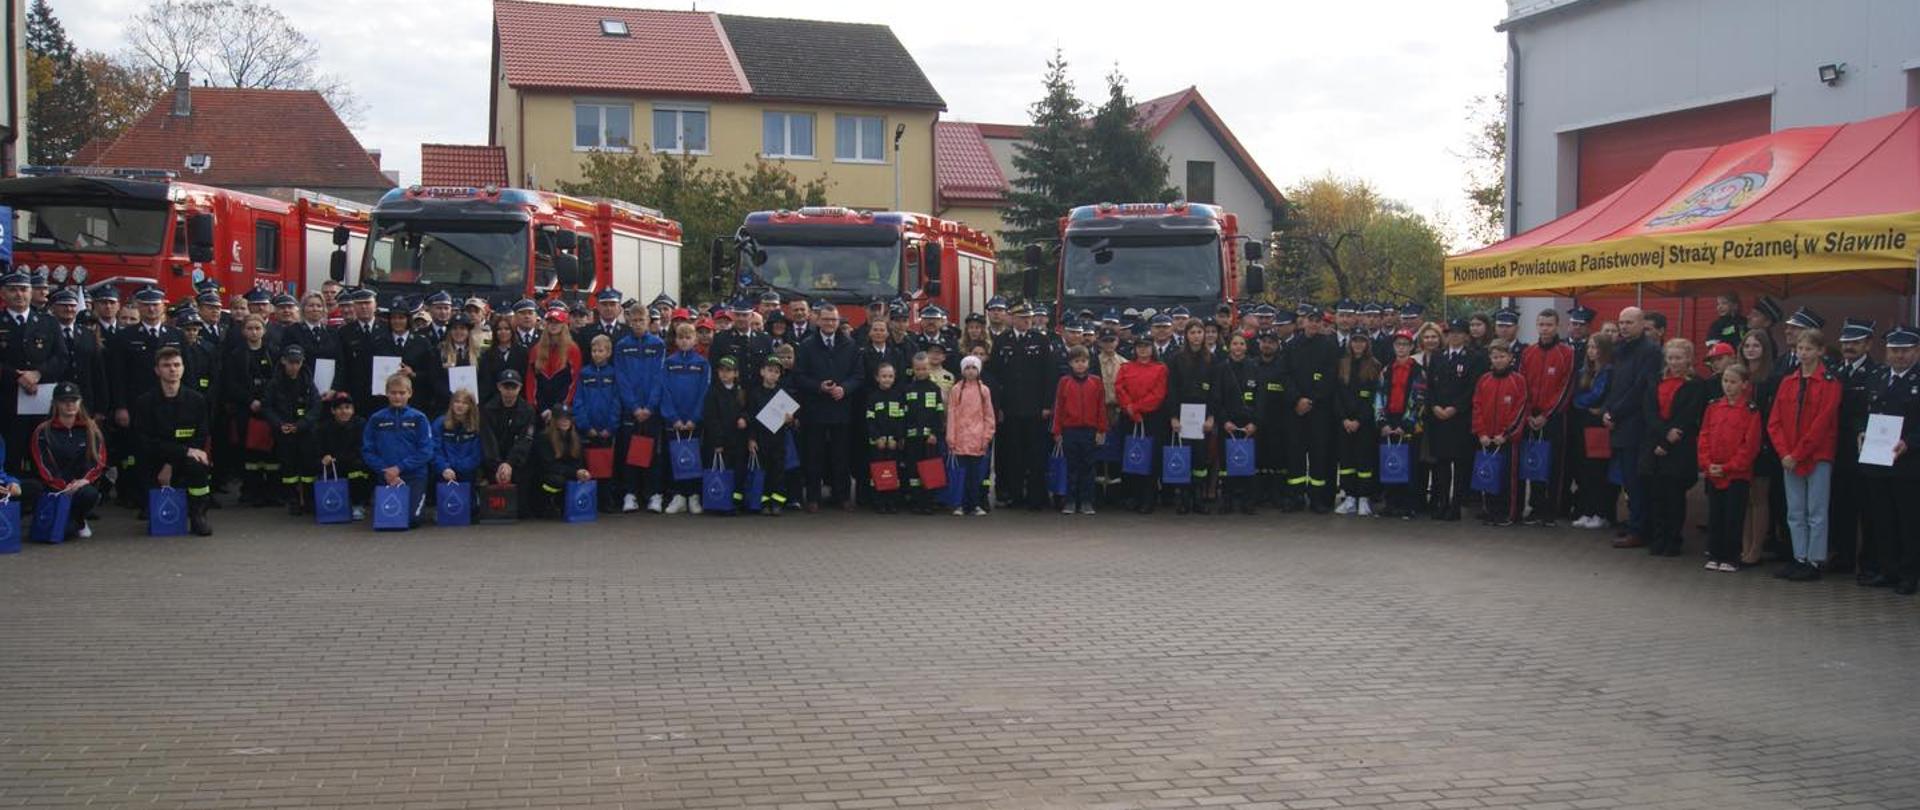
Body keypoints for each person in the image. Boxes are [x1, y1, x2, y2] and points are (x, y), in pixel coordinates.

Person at [1768, 329, 1840, 581]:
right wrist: (1784, 453)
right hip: (1789, 457)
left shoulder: (1829, 383)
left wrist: (1797, 453)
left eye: (1809, 348)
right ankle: (1799, 557)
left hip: (1817, 455)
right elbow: (1774, 421)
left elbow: (1822, 423)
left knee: (1816, 512)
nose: (1803, 353)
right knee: (1795, 510)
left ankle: (1815, 560)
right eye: (1800, 348)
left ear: (1820, 351)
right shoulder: (1788, 381)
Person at [1859, 325, 1920, 594]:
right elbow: (1866, 412)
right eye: (1895, 350)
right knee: (1882, 519)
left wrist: (1911, 442)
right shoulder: (1879, 376)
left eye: (1905, 350)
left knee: (1908, 521)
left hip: (1908, 464)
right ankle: (1887, 569)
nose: (1899, 356)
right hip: (1878, 461)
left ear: (1916, 351)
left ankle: (1909, 575)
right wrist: (1862, 432)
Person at [131, 347, 213, 536]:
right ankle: (149, 506)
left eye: (177, 365)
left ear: (183, 368)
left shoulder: (197, 400)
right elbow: (145, 441)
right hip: (154, 460)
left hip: (185, 458)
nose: (172, 369)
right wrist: (177, 455)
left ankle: (198, 514)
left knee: (198, 465)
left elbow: (200, 437)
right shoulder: (145, 402)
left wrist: (172, 463)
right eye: (166, 365)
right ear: (157, 370)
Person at [1641, 339, 1708, 558]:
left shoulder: (1696, 384)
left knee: (1674, 496)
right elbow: (1649, 411)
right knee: (1656, 494)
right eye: (1670, 358)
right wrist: (1662, 436)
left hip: (1679, 446)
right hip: (1655, 442)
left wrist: (1669, 441)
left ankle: (1673, 540)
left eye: (1679, 358)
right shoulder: (1655, 380)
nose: (1674, 362)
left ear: (1688, 359)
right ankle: (1658, 538)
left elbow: (1689, 414)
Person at [794, 307, 861, 512]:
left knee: (841, 456)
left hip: (841, 409)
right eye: (826, 319)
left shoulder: (850, 345)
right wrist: (818, 386)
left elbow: (858, 375)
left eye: (833, 319)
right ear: (818, 321)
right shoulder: (806, 345)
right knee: (814, 456)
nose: (830, 323)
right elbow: (799, 376)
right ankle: (813, 497)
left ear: (838, 322)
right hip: (815, 410)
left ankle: (842, 496)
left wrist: (845, 388)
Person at [1829, 318, 1882, 575]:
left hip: (1863, 450)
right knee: (1840, 505)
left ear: (1868, 345)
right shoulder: (1835, 372)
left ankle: (1869, 562)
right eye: (1846, 342)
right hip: (1836, 449)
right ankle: (1843, 556)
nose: (1849, 347)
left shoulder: (1876, 373)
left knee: (1867, 509)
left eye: (1856, 343)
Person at [1604, 307, 1660, 547]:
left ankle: (1640, 529)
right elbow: (1614, 384)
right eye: (1621, 322)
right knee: (1628, 480)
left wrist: (1615, 412)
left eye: (1629, 322)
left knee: (1637, 481)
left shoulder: (1650, 351)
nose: (1624, 327)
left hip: (1637, 424)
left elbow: (1640, 388)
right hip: (1619, 423)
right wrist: (1608, 410)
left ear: (1641, 324)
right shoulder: (1620, 349)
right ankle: (1634, 522)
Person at [1698, 363, 1762, 572]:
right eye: (1725, 381)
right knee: (1715, 514)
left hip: (1736, 474)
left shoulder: (1750, 411)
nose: (1728, 386)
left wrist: (1729, 467)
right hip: (1713, 470)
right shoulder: (1713, 407)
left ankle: (1731, 556)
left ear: (1744, 384)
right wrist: (1707, 463)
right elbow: (1704, 436)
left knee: (1733, 516)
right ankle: (1714, 553)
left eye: (1733, 382)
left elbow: (1749, 445)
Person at [1519, 309, 1575, 526]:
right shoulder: (1528, 352)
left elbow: (1566, 387)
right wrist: (1529, 413)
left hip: (1554, 418)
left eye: (1549, 325)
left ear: (1557, 326)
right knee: (1533, 462)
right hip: (1531, 418)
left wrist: (1547, 414)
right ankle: (1535, 506)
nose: (1545, 329)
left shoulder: (1566, 353)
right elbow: (1522, 384)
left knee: (1554, 464)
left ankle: (1551, 510)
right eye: (1541, 324)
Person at [28, 382, 104, 538]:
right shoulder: (43, 431)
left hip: (80, 485)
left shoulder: (91, 429)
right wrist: (62, 486)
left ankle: (79, 519)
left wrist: (84, 481)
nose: (70, 405)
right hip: (53, 487)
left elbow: (99, 461)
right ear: (55, 403)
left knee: (90, 494)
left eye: (74, 400)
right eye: (64, 401)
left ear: (80, 402)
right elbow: (41, 464)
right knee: (64, 532)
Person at [1425, 319, 1484, 521]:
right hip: (1439, 418)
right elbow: (1430, 386)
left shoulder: (1475, 358)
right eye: (1451, 332)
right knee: (1441, 464)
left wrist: (1455, 408)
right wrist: (1434, 406)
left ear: (1466, 336)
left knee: (1460, 465)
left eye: (1459, 333)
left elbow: (1473, 388)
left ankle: (1456, 505)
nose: (1454, 336)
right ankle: (1442, 502)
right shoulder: (1438, 356)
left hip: (1460, 419)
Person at [362, 373, 435, 529]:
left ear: (410, 393)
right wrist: (385, 470)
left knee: (411, 520)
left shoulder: (419, 418)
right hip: (386, 476)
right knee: (389, 518)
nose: (397, 397)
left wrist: (400, 468)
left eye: (402, 393)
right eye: (393, 393)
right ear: (386, 393)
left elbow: (426, 451)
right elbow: (368, 451)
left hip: (414, 476)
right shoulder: (376, 419)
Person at [614, 306, 668, 512]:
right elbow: (621, 378)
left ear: (648, 321)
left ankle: (653, 494)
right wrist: (634, 407)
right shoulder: (622, 346)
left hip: (651, 410)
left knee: (653, 452)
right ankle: (630, 494)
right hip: (631, 410)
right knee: (630, 452)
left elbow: (659, 377)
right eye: (634, 320)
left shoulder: (658, 344)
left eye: (641, 320)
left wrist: (650, 406)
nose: (637, 324)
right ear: (629, 321)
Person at [224, 315, 280, 506]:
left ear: (264, 330)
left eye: (257, 328)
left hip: (269, 409)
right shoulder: (235, 355)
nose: (254, 332)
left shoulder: (273, 352)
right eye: (250, 328)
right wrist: (250, 400)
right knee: (248, 452)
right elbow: (231, 383)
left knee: (271, 452)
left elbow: (277, 380)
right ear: (243, 331)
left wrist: (264, 401)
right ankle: (250, 491)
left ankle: (272, 492)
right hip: (245, 409)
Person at [1472, 342, 1528, 526]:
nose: (1499, 360)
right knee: (1488, 474)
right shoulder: (1484, 380)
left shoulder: (1518, 380)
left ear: (1510, 358)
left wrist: (1506, 434)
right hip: (1487, 438)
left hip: (1507, 439)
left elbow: (1520, 410)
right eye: (1495, 357)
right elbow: (1477, 407)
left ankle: (1509, 513)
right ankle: (1491, 510)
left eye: (1502, 356)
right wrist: (1481, 433)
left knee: (1508, 477)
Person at [656, 322, 710, 515]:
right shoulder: (669, 363)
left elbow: (704, 392)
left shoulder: (702, 364)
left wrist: (695, 418)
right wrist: (673, 418)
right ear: (676, 340)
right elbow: (664, 391)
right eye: (681, 337)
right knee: (675, 456)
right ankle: (678, 495)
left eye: (688, 337)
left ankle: (693, 495)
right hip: (676, 420)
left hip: (693, 420)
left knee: (694, 457)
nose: (685, 341)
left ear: (695, 340)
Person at [1738, 331, 1780, 566]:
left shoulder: (1771, 379)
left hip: (1762, 444)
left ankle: (1756, 548)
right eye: (1747, 345)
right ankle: (1744, 546)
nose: (1751, 350)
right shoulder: (1737, 374)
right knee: (1743, 498)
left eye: (1756, 346)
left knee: (1759, 498)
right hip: (1738, 444)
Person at [262, 344, 320, 515]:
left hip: (305, 431)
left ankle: (309, 500)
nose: (294, 366)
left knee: (308, 468)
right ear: (283, 361)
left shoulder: (308, 382)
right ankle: (293, 500)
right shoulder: (275, 383)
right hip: (284, 431)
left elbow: (316, 407)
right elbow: (267, 407)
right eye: (291, 362)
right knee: (289, 469)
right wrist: (280, 424)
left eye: (297, 362)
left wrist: (301, 425)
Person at [1375, 331, 1426, 519]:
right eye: (1398, 344)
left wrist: (1406, 424)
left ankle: (1408, 505)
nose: (1401, 348)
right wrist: (1382, 422)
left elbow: (1419, 399)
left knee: (1409, 465)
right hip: (1389, 421)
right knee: (1390, 462)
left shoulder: (1418, 371)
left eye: (1405, 344)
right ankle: (1390, 503)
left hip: (1408, 424)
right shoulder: (1386, 370)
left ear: (1411, 347)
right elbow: (1379, 396)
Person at [1166, 319, 1215, 514]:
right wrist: (1173, 417)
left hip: (1203, 416)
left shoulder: (1211, 359)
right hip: (1182, 415)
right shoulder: (1176, 359)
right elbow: (1172, 390)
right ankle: (1183, 498)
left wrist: (1211, 417)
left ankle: (1198, 498)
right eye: (1192, 332)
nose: (1196, 336)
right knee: (1184, 456)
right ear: (1186, 335)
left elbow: (1215, 392)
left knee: (1200, 459)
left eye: (1199, 332)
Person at [1052, 346, 1108, 516]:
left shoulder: (1096, 381)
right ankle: (1070, 500)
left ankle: (1086, 501)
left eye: (1083, 361)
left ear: (1088, 363)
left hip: (1090, 430)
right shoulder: (1064, 382)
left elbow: (1101, 407)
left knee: (1088, 467)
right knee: (1071, 467)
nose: (1080, 364)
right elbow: (1059, 407)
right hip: (1070, 430)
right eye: (1076, 361)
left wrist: (1101, 429)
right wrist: (1057, 431)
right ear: (1070, 363)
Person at [1332, 331, 1380, 517]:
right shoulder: (1342, 364)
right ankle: (1350, 496)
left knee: (1364, 460)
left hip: (1364, 423)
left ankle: (1364, 498)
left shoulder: (1374, 365)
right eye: (1355, 341)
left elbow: (1372, 397)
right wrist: (1344, 418)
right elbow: (1337, 394)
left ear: (1367, 344)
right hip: (1344, 422)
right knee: (1346, 461)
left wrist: (1359, 419)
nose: (1358, 345)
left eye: (1362, 341)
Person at [1570, 335, 1616, 530]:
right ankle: (1586, 511)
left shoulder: (1609, 371)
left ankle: (1600, 513)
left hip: (1598, 425)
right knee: (1584, 469)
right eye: (1589, 347)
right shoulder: (1584, 371)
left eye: (1595, 347)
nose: (1591, 351)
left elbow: (1598, 395)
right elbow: (1576, 396)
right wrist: (1581, 403)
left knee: (1597, 469)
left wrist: (1583, 403)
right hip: (1583, 422)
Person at [1214, 333, 1262, 515]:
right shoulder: (1221, 368)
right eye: (1234, 343)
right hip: (1228, 425)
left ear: (1246, 347)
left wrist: (1254, 422)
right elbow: (1216, 398)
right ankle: (1227, 499)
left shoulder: (1255, 367)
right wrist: (1224, 421)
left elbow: (1261, 398)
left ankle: (1248, 501)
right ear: (1229, 347)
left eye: (1242, 343)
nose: (1238, 347)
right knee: (1226, 465)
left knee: (1248, 462)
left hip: (1249, 425)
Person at [573, 334, 621, 512]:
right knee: (589, 465)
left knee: (607, 466)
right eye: (594, 351)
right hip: (589, 429)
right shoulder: (584, 373)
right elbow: (579, 401)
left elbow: (616, 402)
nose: (597, 354)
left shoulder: (613, 374)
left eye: (600, 351)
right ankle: (589, 501)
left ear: (608, 352)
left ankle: (607, 501)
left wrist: (611, 426)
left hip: (607, 429)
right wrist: (586, 425)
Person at [945, 354, 995, 516]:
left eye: (974, 368)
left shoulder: (984, 390)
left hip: (977, 439)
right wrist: (951, 437)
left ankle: (974, 504)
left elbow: (989, 415)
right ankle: (958, 503)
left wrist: (987, 436)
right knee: (960, 475)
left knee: (975, 476)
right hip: (960, 439)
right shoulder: (956, 390)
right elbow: (951, 414)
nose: (971, 371)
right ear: (962, 371)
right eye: (967, 368)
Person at [480, 370, 536, 515]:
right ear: (499, 387)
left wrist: (510, 464)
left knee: (523, 510)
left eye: (513, 387)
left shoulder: (528, 411)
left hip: (517, 462)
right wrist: (499, 465)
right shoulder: (488, 409)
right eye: (506, 387)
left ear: (520, 388)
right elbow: (488, 440)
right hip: (494, 462)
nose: (509, 392)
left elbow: (525, 441)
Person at [745, 357, 796, 515]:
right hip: (761, 438)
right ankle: (764, 502)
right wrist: (751, 439)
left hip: (778, 439)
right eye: (770, 370)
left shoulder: (783, 393)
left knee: (778, 471)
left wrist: (790, 419)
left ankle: (778, 502)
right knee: (763, 471)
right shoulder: (755, 393)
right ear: (762, 372)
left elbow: (791, 418)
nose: (773, 374)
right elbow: (751, 418)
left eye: (776, 372)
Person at [700, 356, 748, 515]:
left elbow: (746, 410)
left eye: (729, 371)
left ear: (736, 373)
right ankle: (720, 502)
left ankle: (736, 502)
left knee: (738, 472)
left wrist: (744, 418)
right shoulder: (713, 392)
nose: (725, 374)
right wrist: (718, 442)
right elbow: (711, 419)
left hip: (738, 441)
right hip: (720, 441)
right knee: (721, 470)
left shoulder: (740, 392)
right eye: (722, 370)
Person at [903, 353, 946, 514]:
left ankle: (929, 502)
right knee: (913, 470)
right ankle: (916, 501)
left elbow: (939, 413)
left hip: (930, 439)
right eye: (918, 369)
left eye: (924, 368)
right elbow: (904, 415)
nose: (921, 372)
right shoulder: (908, 389)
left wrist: (935, 433)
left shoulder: (934, 389)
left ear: (929, 369)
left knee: (930, 469)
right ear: (913, 369)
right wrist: (903, 435)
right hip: (912, 438)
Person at [529, 404, 590, 518]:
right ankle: (547, 503)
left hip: (567, 473)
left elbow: (579, 461)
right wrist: (574, 473)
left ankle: (566, 504)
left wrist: (582, 472)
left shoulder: (576, 439)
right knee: (557, 481)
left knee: (581, 478)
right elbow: (549, 466)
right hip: (544, 479)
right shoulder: (544, 438)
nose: (565, 421)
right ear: (554, 420)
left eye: (568, 418)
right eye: (561, 418)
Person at [864, 362, 907, 514]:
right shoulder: (872, 397)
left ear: (894, 378)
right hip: (877, 443)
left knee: (893, 471)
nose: (887, 379)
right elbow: (870, 420)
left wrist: (898, 438)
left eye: (890, 376)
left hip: (893, 443)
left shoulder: (898, 396)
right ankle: (878, 502)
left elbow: (901, 419)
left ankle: (892, 502)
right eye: (884, 376)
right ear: (877, 378)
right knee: (878, 471)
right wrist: (877, 438)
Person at [528, 309, 581, 420]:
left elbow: (575, 381)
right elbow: (531, 381)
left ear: (564, 325)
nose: (553, 325)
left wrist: (561, 407)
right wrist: (540, 408)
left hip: (563, 410)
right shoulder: (536, 349)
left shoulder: (572, 350)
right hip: (540, 410)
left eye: (557, 322)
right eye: (550, 322)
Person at [432, 388, 485, 498]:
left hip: (467, 474)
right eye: (457, 402)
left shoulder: (477, 426)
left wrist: (459, 469)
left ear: (470, 406)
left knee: (468, 506)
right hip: (444, 473)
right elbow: (435, 450)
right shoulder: (440, 423)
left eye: (465, 403)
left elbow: (477, 454)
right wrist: (444, 468)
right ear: (451, 404)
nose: (460, 405)